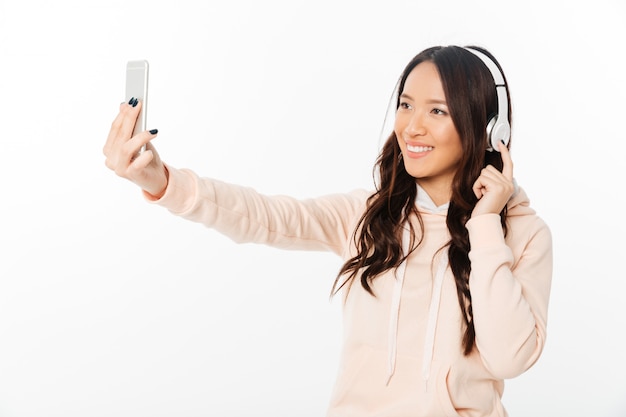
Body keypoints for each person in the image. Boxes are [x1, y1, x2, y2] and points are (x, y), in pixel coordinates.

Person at [103, 45, 552, 417]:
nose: (411, 126)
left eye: (437, 110)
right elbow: (267, 216)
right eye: (406, 104)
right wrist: (162, 182)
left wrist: (487, 223)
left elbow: (510, 357)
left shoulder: (521, 234)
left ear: (490, 129)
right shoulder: (367, 216)